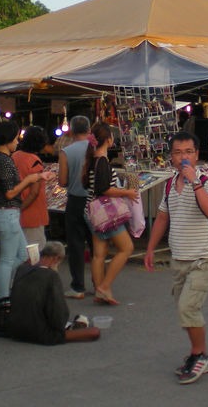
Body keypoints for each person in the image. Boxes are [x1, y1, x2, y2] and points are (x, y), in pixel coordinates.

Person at [144, 132, 208, 385]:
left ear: (197, 155)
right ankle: (196, 353)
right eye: (178, 153)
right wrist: (150, 248)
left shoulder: (207, 182)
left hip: (203, 257)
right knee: (184, 309)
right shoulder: (169, 185)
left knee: (188, 307)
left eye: (188, 152)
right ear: (171, 157)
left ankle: (201, 356)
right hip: (180, 257)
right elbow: (163, 218)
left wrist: (195, 182)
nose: (183, 157)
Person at [0, 121, 53, 303]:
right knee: (8, 260)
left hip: (9, 213)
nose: (17, 142)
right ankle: (3, 299)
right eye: (15, 138)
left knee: (22, 254)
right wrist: (31, 178)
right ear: (7, 140)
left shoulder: (8, 159)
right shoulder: (4, 161)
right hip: (7, 212)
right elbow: (10, 192)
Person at [83, 122, 139, 306]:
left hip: (92, 211)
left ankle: (100, 290)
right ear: (108, 140)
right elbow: (104, 189)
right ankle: (104, 286)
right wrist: (127, 193)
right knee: (126, 248)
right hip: (105, 212)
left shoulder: (92, 161)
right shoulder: (102, 162)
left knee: (99, 253)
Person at [7, 241, 101, 345]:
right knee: (94, 332)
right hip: (39, 333)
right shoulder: (51, 276)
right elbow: (58, 314)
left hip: (15, 329)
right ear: (56, 258)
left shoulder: (22, 268)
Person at [58, 116, 91, 300]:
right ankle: (99, 282)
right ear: (88, 130)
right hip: (94, 201)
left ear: (71, 131)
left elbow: (62, 181)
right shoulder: (95, 149)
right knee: (97, 243)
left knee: (76, 244)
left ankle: (78, 286)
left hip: (75, 201)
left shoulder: (66, 151)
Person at [14, 125, 49, 249]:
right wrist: (21, 208)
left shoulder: (15, 156)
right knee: (34, 251)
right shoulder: (35, 161)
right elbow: (34, 192)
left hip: (16, 207)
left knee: (19, 249)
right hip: (32, 212)